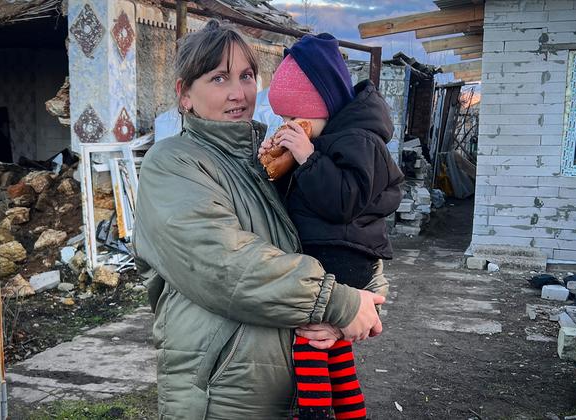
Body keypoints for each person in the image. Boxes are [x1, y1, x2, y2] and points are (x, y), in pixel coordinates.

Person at [132, 20, 386, 419]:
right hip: (222, 393)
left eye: (246, 76)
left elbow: (346, 227)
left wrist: (361, 295)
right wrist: (336, 301)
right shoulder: (172, 165)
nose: (239, 93)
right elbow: (224, 265)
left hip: (291, 387)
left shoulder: (270, 160)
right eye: (218, 78)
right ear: (184, 95)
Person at [259, 33, 404, 419]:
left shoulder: (360, 140)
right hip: (334, 252)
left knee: (308, 338)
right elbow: (305, 201)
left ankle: (315, 414)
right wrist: (278, 170)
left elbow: (342, 203)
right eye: (283, 118)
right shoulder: (329, 137)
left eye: (294, 117)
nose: (288, 125)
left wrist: (306, 158)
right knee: (332, 347)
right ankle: (352, 413)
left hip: (345, 256)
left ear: (322, 104)